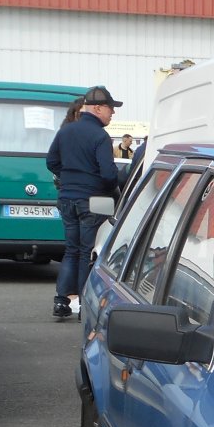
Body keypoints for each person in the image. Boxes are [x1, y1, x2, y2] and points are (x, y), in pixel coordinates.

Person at [45, 85, 122, 320]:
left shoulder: (66, 132)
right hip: (93, 199)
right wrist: (109, 189)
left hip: (67, 197)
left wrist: (70, 177)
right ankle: (84, 306)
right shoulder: (100, 136)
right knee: (86, 252)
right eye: (110, 108)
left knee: (71, 250)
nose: (113, 113)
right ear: (98, 108)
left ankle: (61, 301)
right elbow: (109, 175)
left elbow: (51, 162)